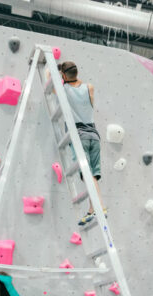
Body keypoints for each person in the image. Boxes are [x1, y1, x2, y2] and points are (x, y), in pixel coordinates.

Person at [58, 60, 106, 226]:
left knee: (89, 175)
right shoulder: (89, 87)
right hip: (94, 136)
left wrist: (61, 77)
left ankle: (100, 208)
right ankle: (93, 209)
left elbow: (50, 76)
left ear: (63, 76)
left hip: (79, 137)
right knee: (92, 177)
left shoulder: (64, 89)